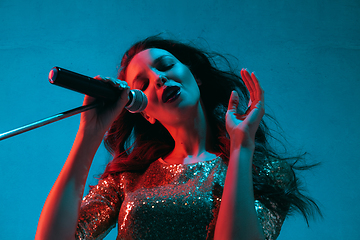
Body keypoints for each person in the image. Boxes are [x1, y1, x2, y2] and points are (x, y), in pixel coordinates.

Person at [35, 36, 320, 240]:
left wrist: (241, 149)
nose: (158, 79)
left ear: (194, 76)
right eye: (143, 84)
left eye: (165, 66)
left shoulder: (264, 171)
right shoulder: (127, 180)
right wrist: (89, 134)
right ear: (144, 112)